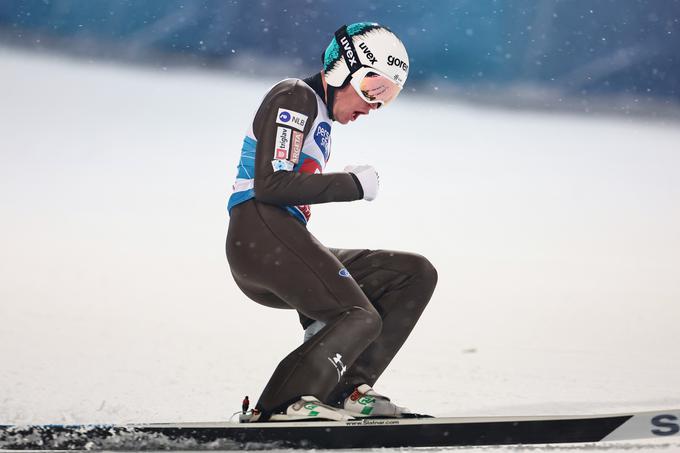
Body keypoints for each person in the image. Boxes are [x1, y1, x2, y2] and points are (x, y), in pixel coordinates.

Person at [225, 22, 437, 422]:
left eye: (388, 96)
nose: (376, 105)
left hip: (281, 237)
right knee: (358, 315)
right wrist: (351, 184)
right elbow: (271, 185)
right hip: (259, 233)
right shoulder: (294, 96)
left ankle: (346, 391)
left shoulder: (318, 114)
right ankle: (281, 405)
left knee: (413, 274)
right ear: (343, 70)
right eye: (375, 89)